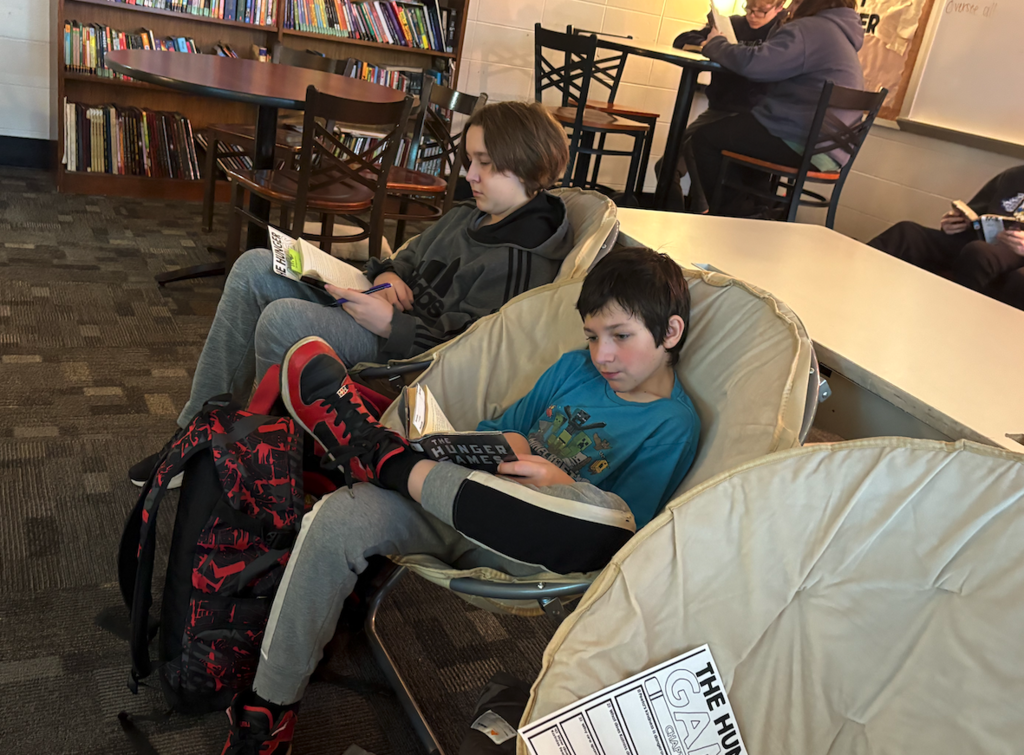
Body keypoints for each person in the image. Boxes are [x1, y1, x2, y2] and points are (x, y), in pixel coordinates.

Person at [220, 247, 701, 753]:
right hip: (453, 500)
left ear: (670, 332)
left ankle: (380, 455)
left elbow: (625, 534)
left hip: (533, 548)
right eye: (592, 336)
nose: (602, 355)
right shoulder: (574, 369)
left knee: (597, 514)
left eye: (620, 337)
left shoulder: (673, 425)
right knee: (340, 515)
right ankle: (269, 712)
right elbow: (503, 430)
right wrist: (476, 445)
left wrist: (556, 481)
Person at [128, 100, 574, 486]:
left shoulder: (524, 261)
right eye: (470, 160)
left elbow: (471, 355)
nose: (470, 174)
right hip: (378, 310)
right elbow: (405, 256)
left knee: (284, 319)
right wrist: (390, 275)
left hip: (405, 353)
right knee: (253, 266)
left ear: (525, 165)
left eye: (485, 163)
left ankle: (262, 466)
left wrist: (392, 325)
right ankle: (195, 433)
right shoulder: (468, 215)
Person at [690, 0, 865, 217]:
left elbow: (756, 65)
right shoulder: (839, 33)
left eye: (796, 1)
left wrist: (716, 44)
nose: (790, 8)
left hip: (801, 142)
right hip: (830, 149)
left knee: (706, 138)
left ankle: (732, 218)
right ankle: (753, 215)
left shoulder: (810, 29)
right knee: (744, 135)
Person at [656, 0, 788, 212]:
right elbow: (682, 40)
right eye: (749, 9)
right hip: (718, 108)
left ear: (779, 7)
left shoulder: (782, 34)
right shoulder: (732, 24)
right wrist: (710, 43)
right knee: (666, 166)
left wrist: (727, 51)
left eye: (761, 12)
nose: (752, 15)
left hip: (751, 114)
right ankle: (675, 216)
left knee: (696, 146)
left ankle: (703, 211)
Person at [868, 165, 1024, 309]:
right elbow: (976, 216)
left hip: (1013, 257)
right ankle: (859, 281)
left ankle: (952, 318)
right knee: (907, 233)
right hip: (983, 241)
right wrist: (954, 224)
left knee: (980, 253)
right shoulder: (1014, 176)